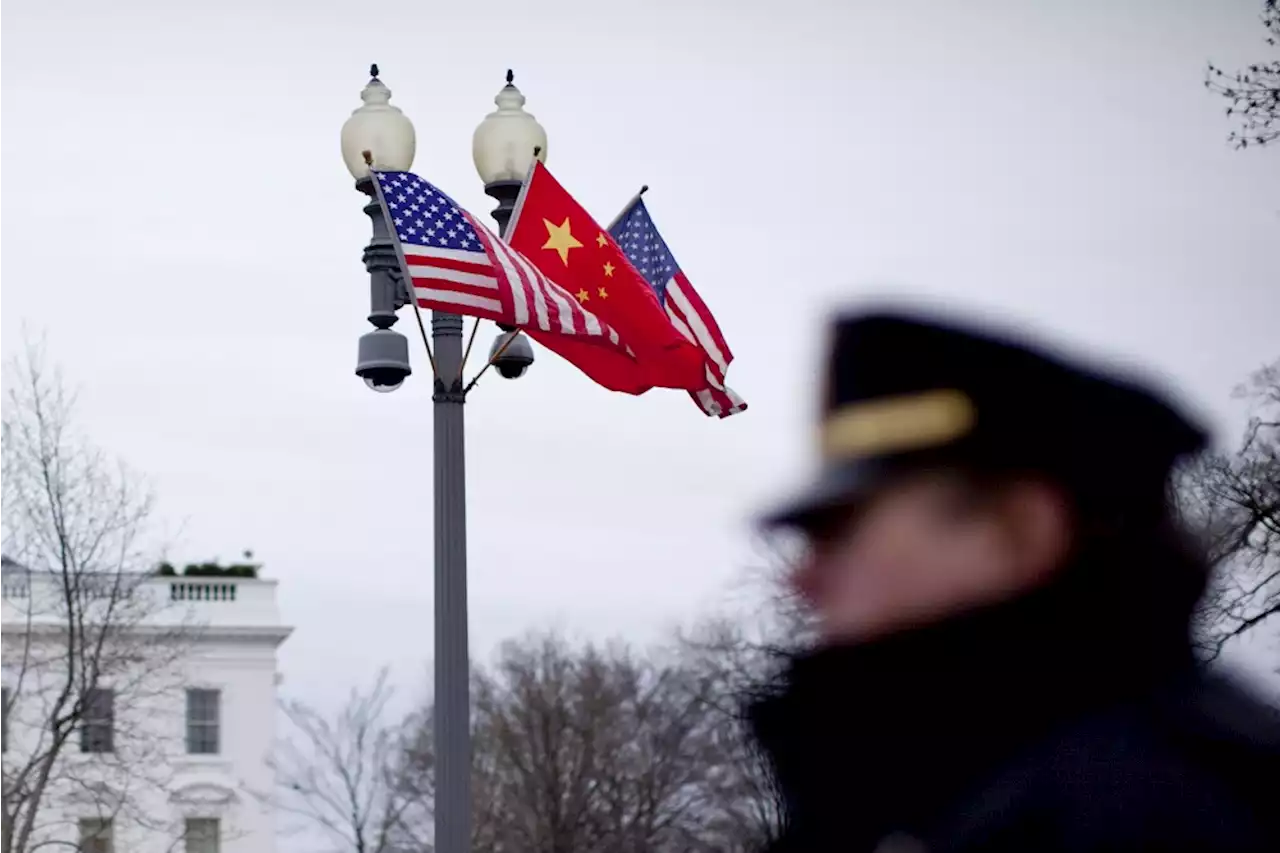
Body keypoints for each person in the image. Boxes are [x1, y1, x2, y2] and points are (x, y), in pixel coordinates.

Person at [748, 309, 1280, 852]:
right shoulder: (948, 791)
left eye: (838, 532)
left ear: (1022, 531)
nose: (801, 579)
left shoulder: (1149, 816)